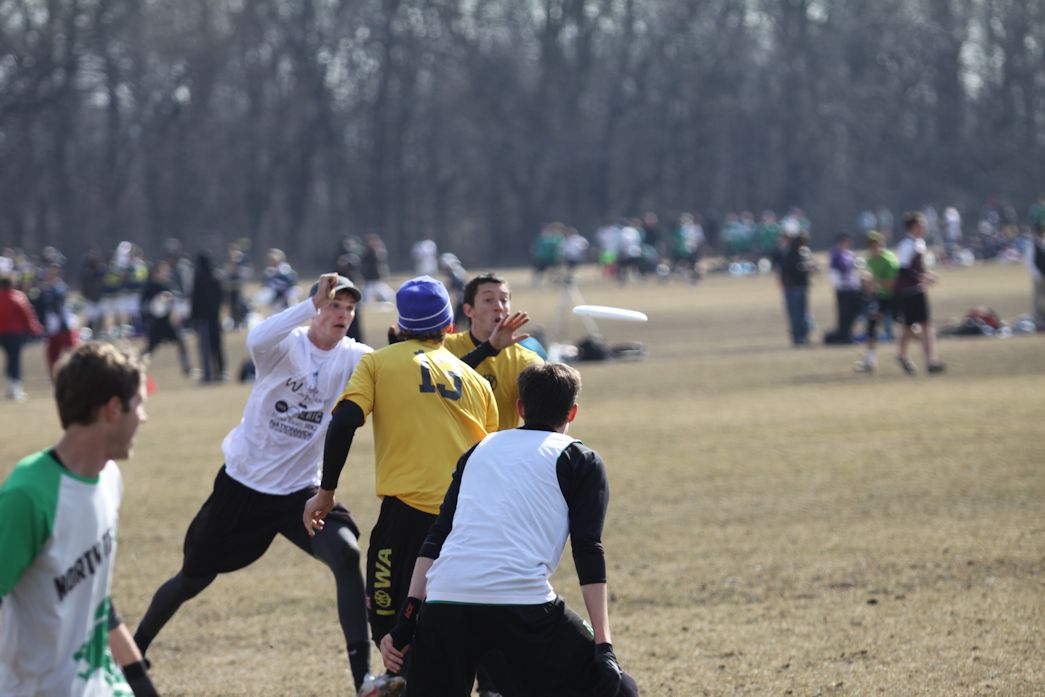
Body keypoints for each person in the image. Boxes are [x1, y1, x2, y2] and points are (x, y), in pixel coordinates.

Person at [133, 275, 381, 694]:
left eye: (349, 309)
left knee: (345, 552)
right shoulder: (284, 346)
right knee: (192, 578)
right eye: (333, 306)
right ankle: (133, 652)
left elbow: (397, 369)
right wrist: (308, 304)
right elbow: (257, 337)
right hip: (243, 487)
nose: (342, 315)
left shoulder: (356, 357)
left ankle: (364, 680)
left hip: (299, 494)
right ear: (315, 309)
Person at [378, 362, 639, 697]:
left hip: (445, 602)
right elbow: (588, 549)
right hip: (523, 608)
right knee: (619, 690)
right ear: (572, 411)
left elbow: (436, 538)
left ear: (520, 408)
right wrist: (604, 645)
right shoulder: (581, 459)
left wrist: (407, 619)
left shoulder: (477, 451)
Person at [303, 275, 498, 693]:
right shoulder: (477, 382)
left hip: (406, 518)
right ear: (450, 326)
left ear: (400, 325)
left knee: (390, 625)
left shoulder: (378, 362)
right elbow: (491, 460)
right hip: (464, 521)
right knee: (454, 626)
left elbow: (344, 422)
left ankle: (402, 675)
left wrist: (326, 492)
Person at [0, 342, 159, 696]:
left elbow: (97, 598)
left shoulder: (108, 479)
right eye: (138, 405)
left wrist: (140, 682)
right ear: (113, 410)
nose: (143, 418)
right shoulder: (28, 495)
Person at [445, 273, 544, 433]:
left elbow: (543, 413)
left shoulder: (525, 360)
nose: (499, 306)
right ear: (468, 310)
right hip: (456, 448)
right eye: (488, 300)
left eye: (504, 300)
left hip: (501, 449)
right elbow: (442, 383)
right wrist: (488, 348)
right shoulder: (446, 346)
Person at [895, 212, 945, 375]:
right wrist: (922, 277)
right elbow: (903, 270)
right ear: (913, 227)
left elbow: (917, 268)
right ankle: (915, 358)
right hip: (908, 292)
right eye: (921, 224)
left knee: (920, 326)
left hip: (917, 289)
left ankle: (928, 360)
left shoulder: (919, 243)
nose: (924, 226)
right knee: (914, 327)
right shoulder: (906, 244)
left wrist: (927, 275)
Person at [855, 231, 899, 372]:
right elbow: (873, 283)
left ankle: (928, 346)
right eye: (871, 245)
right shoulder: (869, 260)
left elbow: (892, 285)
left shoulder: (889, 260)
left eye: (876, 244)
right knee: (872, 327)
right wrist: (867, 284)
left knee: (910, 327)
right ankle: (870, 361)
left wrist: (874, 281)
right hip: (882, 297)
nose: (873, 247)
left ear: (881, 244)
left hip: (897, 297)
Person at [0, 262, 43, 401]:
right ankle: (14, 389)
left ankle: (9, 385)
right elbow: (27, 315)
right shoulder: (18, 297)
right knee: (14, 360)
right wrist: (35, 329)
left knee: (9, 361)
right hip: (14, 334)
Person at [140, 260, 192, 376]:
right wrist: (147, 320)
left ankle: (187, 368)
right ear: (156, 272)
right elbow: (144, 307)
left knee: (181, 341)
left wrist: (175, 315)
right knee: (150, 349)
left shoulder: (167, 286)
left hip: (168, 324)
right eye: (163, 271)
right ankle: (135, 366)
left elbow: (172, 304)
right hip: (156, 325)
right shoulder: (149, 288)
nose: (166, 273)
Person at [190, 251, 225, 383]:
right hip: (215, 318)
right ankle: (220, 372)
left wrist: (193, 318)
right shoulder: (217, 276)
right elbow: (222, 296)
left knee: (205, 348)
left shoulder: (199, 277)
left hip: (203, 319)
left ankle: (208, 375)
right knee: (217, 346)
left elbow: (195, 299)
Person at [778, 231, 816, 346]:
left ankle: (802, 336)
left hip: (798, 287)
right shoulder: (792, 254)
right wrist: (806, 268)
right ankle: (798, 337)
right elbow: (794, 269)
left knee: (801, 314)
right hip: (794, 288)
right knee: (796, 314)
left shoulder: (797, 253)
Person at [824, 233, 862, 345]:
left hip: (853, 288)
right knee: (844, 314)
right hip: (842, 289)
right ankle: (844, 336)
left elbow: (854, 269)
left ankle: (848, 333)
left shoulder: (850, 254)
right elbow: (833, 272)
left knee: (853, 312)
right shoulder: (835, 254)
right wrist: (840, 284)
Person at [1027, 224, 1045, 330]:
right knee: (1038, 300)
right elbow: (1030, 262)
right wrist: (1038, 275)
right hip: (1039, 277)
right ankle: (1039, 320)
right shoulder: (1032, 245)